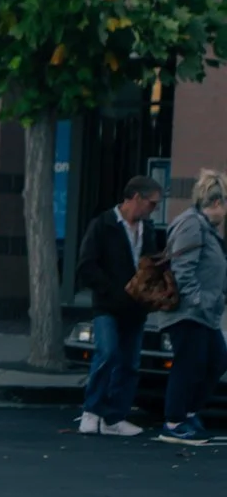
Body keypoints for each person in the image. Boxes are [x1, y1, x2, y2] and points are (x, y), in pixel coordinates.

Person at [75, 175, 167, 436]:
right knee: (108, 353)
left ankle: (114, 416)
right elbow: (86, 265)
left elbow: (150, 261)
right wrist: (111, 290)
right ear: (136, 198)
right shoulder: (103, 225)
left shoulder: (147, 230)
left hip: (136, 306)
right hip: (108, 304)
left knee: (129, 362)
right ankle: (91, 411)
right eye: (151, 204)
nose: (153, 210)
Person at [157, 168, 227, 445]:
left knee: (216, 359)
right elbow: (183, 270)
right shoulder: (192, 225)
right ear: (217, 203)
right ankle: (174, 422)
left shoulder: (206, 228)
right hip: (188, 313)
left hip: (205, 314)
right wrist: (200, 301)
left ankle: (187, 413)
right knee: (189, 365)